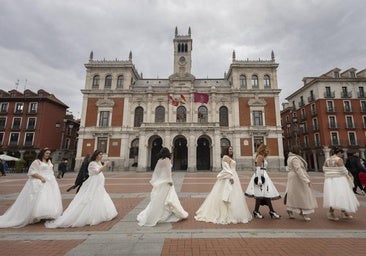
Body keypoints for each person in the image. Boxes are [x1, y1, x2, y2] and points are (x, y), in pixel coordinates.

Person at [45, 150, 117, 228]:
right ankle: (87, 216)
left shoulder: (98, 163)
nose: (101, 156)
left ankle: (101, 213)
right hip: (93, 184)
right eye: (100, 154)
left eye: (102, 154)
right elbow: (96, 172)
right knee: (89, 198)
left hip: (98, 184)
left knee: (99, 197)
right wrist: (105, 165)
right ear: (96, 155)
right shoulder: (92, 163)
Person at [0, 148, 63, 228]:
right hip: (40, 181)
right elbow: (31, 172)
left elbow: (51, 171)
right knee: (39, 198)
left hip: (50, 182)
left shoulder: (49, 161)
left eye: (49, 153)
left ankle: (46, 214)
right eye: (46, 153)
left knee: (49, 198)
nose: (48, 155)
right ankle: (35, 215)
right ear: (42, 153)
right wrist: (41, 177)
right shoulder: (36, 161)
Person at [195, 146, 252, 224]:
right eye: (230, 149)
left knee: (234, 195)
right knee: (227, 194)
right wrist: (230, 177)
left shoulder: (230, 158)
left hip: (234, 176)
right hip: (229, 178)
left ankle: (234, 213)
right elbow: (226, 169)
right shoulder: (225, 157)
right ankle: (226, 214)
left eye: (232, 149)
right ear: (227, 150)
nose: (231, 150)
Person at [137, 147, 188, 226]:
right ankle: (169, 213)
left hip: (161, 182)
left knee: (160, 198)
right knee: (169, 198)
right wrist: (170, 181)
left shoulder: (159, 161)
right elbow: (168, 172)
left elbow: (157, 173)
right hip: (166, 182)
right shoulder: (167, 160)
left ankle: (155, 212)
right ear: (167, 153)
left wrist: (158, 181)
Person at [245, 144, 281, 219]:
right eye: (266, 149)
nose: (268, 150)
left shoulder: (262, 157)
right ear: (262, 149)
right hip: (261, 176)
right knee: (262, 194)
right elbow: (258, 168)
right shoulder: (260, 157)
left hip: (263, 175)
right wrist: (259, 179)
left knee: (263, 194)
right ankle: (266, 211)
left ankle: (263, 211)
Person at [323, 147, 359, 221]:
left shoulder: (327, 159)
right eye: (342, 153)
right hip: (339, 180)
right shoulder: (339, 159)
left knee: (334, 196)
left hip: (329, 180)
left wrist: (331, 172)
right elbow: (343, 170)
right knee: (341, 195)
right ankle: (332, 213)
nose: (342, 155)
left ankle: (343, 212)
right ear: (339, 152)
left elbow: (324, 169)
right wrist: (348, 175)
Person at [285, 145, 318, 221]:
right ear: (297, 150)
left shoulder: (291, 157)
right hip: (297, 178)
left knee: (294, 194)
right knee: (302, 195)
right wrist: (306, 180)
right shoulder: (294, 159)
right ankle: (304, 213)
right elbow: (298, 170)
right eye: (299, 150)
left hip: (294, 178)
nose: (300, 151)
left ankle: (290, 209)